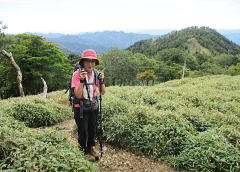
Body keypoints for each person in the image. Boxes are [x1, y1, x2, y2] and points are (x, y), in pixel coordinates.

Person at [71, 49, 106, 160]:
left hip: (93, 106)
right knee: (83, 130)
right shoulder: (76, 75)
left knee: (92, 129)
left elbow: (103, 92)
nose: (90, 64)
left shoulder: (96, 74)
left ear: (95, 63)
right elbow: (77, 94)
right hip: (80, 107)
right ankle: (83, 151)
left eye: (93, 62)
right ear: (83, 62)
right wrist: (81, 80)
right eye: (88, 61)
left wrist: (102, 81)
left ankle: (91, 147)